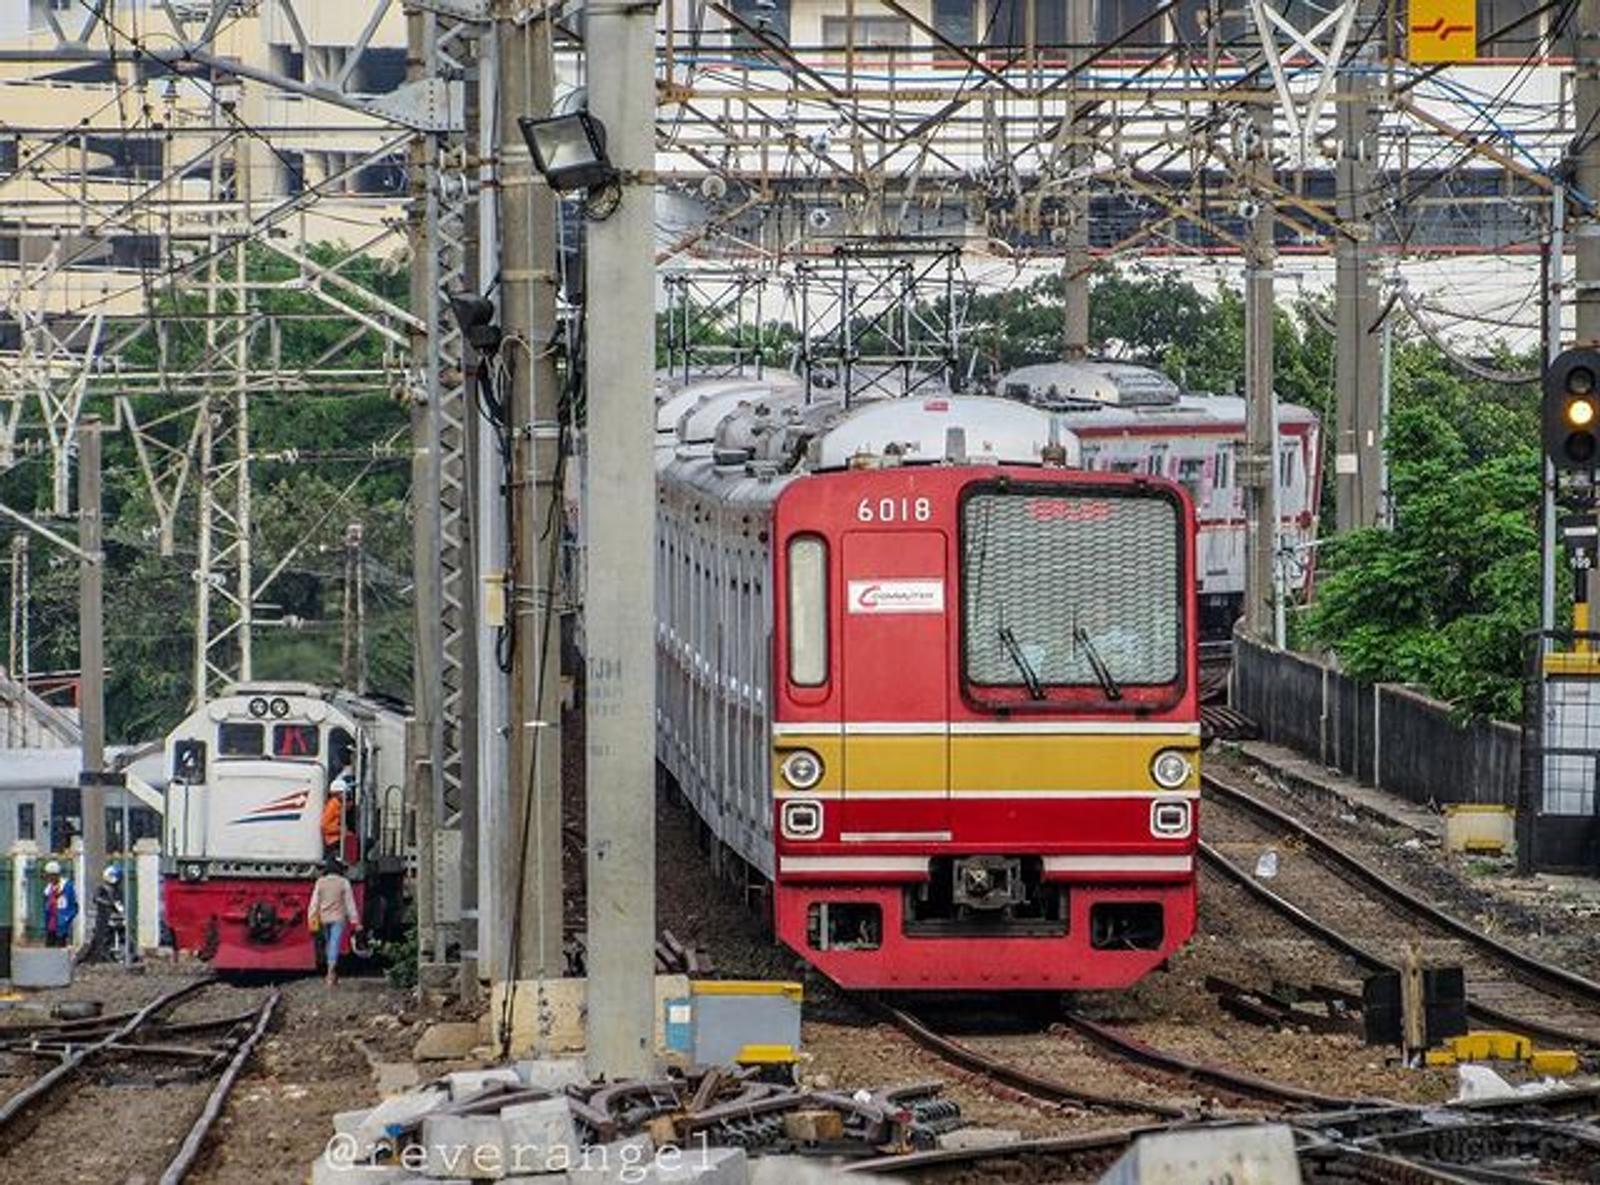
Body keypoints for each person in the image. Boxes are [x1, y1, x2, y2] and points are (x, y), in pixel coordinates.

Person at [307, 858, 361, 987]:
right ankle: (331, 973)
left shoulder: (320, 882)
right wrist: (355, 921)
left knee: (328, 943)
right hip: (338, 918)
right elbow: (350, 903)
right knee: (334, 943)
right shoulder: (344, 882)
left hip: (324, 918)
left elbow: (314, 903)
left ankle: (331, 971)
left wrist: (311, 917)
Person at [82, 864, 127, 963]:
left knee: (125, 934)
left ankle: (126, 953)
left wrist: (119, 908)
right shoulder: (102, 888)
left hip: (116, 916)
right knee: (100, 937)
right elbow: (96, 898)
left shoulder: (118, 890)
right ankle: (96, 956)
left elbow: (120, 901)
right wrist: (106, 902)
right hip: (104, 917)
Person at [42, 859, 78, 948]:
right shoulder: (49, 887)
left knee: (60, 945)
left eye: (50, 876)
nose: (49, 878)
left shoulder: (67, 886)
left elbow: (72, 904)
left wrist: (67, 917)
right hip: (51, 921)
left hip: (62, 920)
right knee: (49, 944)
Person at [321, 769, 351, 862]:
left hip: (336, 838)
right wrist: (341, 829)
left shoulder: (338, 803)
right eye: (344, 793)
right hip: (333, 840)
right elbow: (325, 825)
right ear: (338, 793)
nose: (346, 795)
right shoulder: (333, 805)